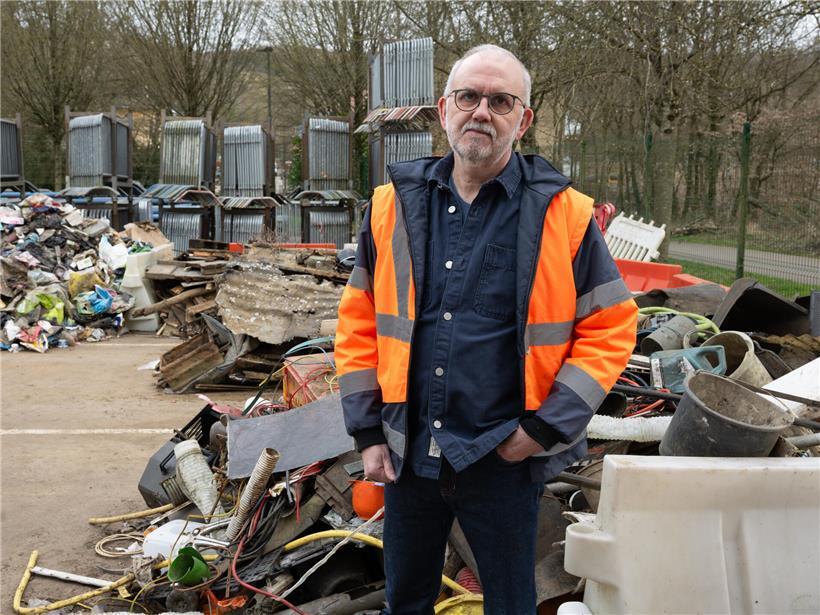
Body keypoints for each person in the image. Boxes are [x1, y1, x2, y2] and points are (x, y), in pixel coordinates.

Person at [335, 44, 637, 614]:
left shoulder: (564, 215)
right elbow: (358, 324)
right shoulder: (390, 207)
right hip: (410, 450)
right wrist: (368, 433)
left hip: (503, 456)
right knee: (406, 601)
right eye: (469, 97)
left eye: (501, 101)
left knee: (511, 604)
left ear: (522, 120)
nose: (482, 112)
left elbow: (611, 328)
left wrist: (545, 429)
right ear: (444, 107)